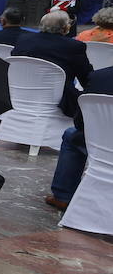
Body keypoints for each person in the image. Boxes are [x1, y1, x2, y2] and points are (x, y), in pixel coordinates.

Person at [46, 64, 113, 209]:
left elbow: (80, 123)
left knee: (72, 135)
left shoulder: (99, 77)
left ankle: (63, 196)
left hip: (102, 148)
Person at [12, 11, 92, 117]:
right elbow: (85, 77)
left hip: (21, 93)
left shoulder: (23, 40)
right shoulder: (74, 46)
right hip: (58, 99)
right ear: (64, 28)